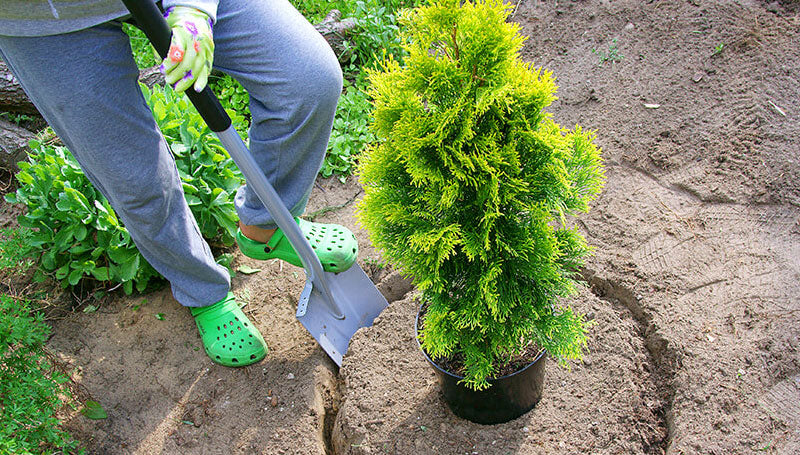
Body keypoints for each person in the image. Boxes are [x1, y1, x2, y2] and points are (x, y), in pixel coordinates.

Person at [0, 0, 358, 367]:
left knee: (307, 79)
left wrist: (194, 8)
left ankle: (267, 226)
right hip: (41, 23)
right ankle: (203, 291)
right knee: (136, 180)